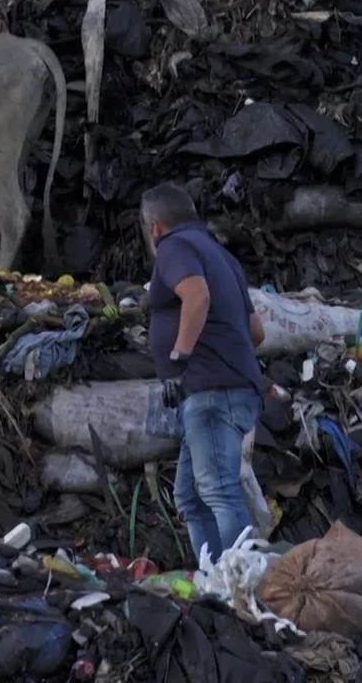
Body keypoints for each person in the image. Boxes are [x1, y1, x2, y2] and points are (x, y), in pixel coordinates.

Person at [141, 181, 265, 561]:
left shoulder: (173, 247)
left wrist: (180, 357)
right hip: (232, 388)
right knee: (191, 498)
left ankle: (245, 587)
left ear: (154, 227)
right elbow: (255, 332)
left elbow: (197, 296)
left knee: (218, 490)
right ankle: (217, 582)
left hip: (211, 392)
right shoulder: (221, 256)